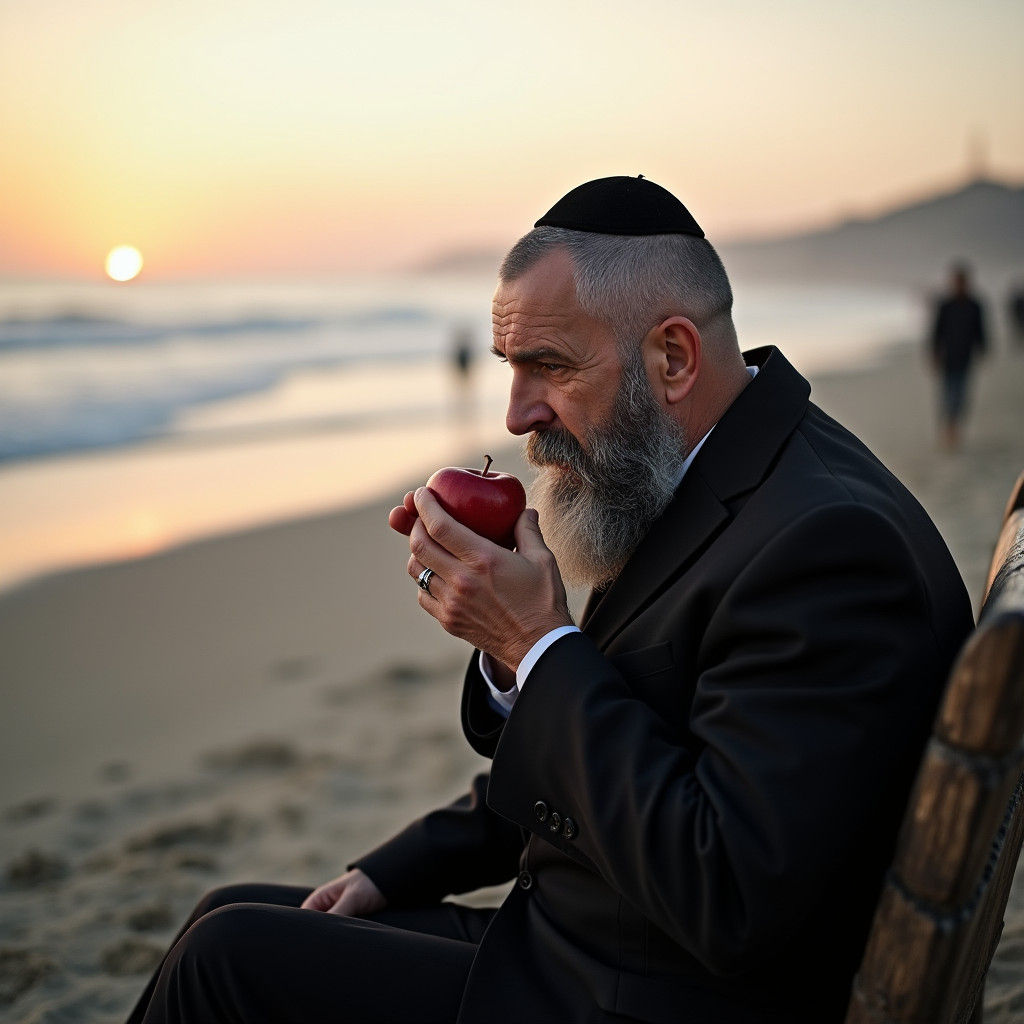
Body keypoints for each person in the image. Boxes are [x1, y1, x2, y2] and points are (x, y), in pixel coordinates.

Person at [127, 176, 974, 1024]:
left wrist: (538, 643)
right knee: (232, 911)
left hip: (639, 994)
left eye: (550, 367)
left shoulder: (828, 547)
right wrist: (399, 863)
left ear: (672, 357)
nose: (517, 414)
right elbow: (624, 732)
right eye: (510, 366)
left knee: (223, 963)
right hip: (582, 944)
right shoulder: (684, 471)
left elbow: (731, 894)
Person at [930, 263, 987, 449]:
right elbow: (936, 332)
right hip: (948, 358)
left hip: (966, 358)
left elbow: (981, 330)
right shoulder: (945, 305)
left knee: (962, 397)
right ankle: (949, 430)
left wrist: (983, 349)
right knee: (948, 395)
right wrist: (934, 355)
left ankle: (955, 428)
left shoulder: (975, 305)